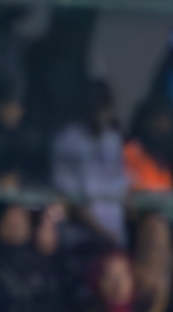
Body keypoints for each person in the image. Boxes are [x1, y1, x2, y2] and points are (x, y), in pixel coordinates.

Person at [52, 80, 129, 246]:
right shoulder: (68, 142)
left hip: (116, 238)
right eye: (100, 109)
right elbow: (70, 201)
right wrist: (105, 234)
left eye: (108, 108)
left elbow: (120, 186)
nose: (105, 115)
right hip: (81, 240)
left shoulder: (112, 139)